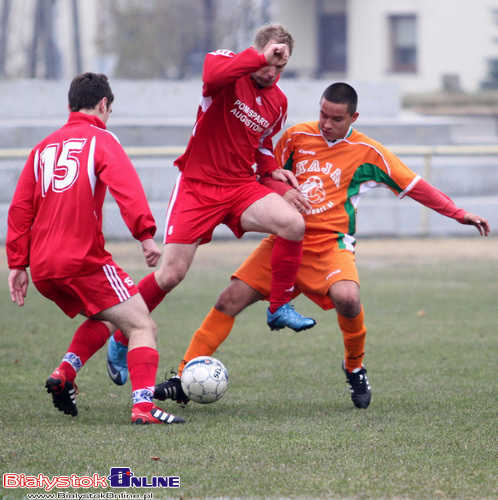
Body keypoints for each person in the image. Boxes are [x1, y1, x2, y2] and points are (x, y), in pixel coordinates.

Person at [153, 82, 491, 409]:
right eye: (323, 115)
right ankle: (183, 377)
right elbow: (264, 169)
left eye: (336, 119)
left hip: (330, 245)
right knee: (228, 300)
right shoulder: (297, 136)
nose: (326, 124)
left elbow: (415, 185)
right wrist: (279, 188)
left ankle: (354, 367)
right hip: (285, 242)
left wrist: (457, 213)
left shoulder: (369, 153)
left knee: (347, 298)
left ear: (353, 119)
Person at [106, 23, 315, 386]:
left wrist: (274, 172)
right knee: (171, 275)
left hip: (238, 188)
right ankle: (122, 335)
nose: (273, 72)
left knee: (293, 224)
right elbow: (212, 75)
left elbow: (262, 146)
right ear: (258, 51)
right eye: (271, 62)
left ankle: (279, 306)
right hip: (198, 188)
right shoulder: (226, 65)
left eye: (281, 67)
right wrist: (259, 59)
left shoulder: (278, 102)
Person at [6, 72, 185, 425]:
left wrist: (17, 264)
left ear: (69, 105)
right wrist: (146, 235)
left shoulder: (41, 148)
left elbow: (20, 208)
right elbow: (127, 187)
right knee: (141, 326)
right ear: (104, 104)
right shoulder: (101, 139)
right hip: (81, 260)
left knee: (105, 315)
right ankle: (143, 407)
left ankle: (64, 374)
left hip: (43, 268)